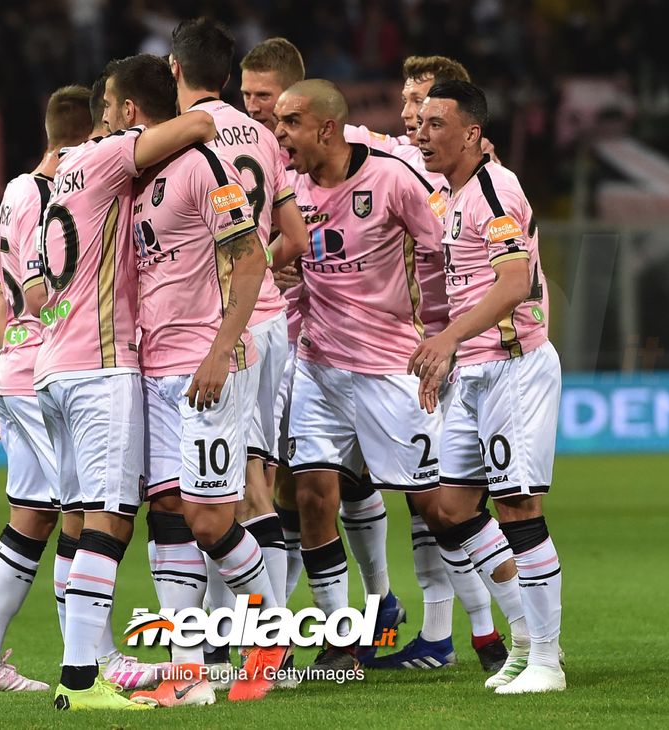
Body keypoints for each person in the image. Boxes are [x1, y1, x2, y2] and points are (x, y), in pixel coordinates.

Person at [29, 74, 218, 712]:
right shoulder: (109, 154)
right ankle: (80, 683)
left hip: (52, 366)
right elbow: (201, 124)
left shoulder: (61, 176)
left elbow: (32, 293)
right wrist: (140, 133)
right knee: (110, 523)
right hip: (102, 367)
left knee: (86, 517)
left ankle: (115, 666)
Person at [102, 53, 284, 705]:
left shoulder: (204, 167)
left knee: (211, 520)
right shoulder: (132, 175)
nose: (101, 120)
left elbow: (251, 260)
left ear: (132, 109)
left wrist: (221, 348)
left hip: (207, 367)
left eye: (108, 105)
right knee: (171, 513)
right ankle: (189, 674)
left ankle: (269, 633)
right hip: (153, 368)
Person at [272, 79, 447, 671]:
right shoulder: (284, 183)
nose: (279, 134)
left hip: (389, 365)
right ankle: (342, 636)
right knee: (313, 495)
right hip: (317, 366)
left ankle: (477, 631)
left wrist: (442, 331)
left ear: (326, 128)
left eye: (289, 122)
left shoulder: (392, 177)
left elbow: (446, 248)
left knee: (437, 504)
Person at [344, 56, 508, 674]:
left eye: (424, 102)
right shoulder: (401, 156)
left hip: (454, 350)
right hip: (408, 349)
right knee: (420, 498)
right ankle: (449, 631)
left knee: (446, 501)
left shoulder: (472, 175)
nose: (410, 113)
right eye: (408, 100)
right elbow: (345, 138)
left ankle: (488, 631)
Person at [167, 18, 309, 681]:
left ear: (176, 68)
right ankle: (231, 645)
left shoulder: (179, 141)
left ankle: (264, 646)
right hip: (270, 322)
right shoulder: (261, 136)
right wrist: (261, 263)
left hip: (218, 331)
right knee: (244, 483)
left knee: (241, 493)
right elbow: (294, 238)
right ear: (229, 78)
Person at [413, 79, 565, 693]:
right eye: (419, 124)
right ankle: (523, 643)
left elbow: (512, 283)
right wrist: (445, 354)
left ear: (472, 134)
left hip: (512, 367)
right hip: (470, 372)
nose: (421, 134)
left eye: (435, 124)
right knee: (450, 508)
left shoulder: (494, 189)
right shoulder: (449, 197)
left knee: (519, 509)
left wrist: (445, 340)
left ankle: (547, 662)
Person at [0, 86, 89, 694]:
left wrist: (12, 353)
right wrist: (45, 350)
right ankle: (92, 660)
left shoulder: (14, 192)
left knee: (32, 516)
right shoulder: (58, 195)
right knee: (86, 514)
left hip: (17, 368)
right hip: (46, 370)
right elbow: (44, 290)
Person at [238, 36, 308, 603]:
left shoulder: (333, 149)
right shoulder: (259, 149)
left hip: (282, 334)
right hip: (283, 329)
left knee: (263, 482)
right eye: (247, 93)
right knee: (269, 480)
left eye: (264, 94)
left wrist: (250, 272)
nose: (255, 104)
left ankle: (269, 628)